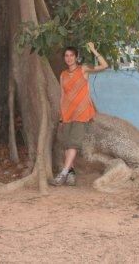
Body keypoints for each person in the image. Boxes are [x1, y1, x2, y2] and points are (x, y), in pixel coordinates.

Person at [50, 42, 109, 186]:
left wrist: (94, 50)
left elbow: (104, 65)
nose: (69, 58)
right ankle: (71, 173)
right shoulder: (63, 75)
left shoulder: (83, 70)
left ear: (76, 57)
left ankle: (63, 174)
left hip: (81, 113)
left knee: (73, 144)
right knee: (66, 144)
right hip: (67, 114)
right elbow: (63, 95)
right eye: (66, 56)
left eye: (71, 55)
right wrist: (61, 115)